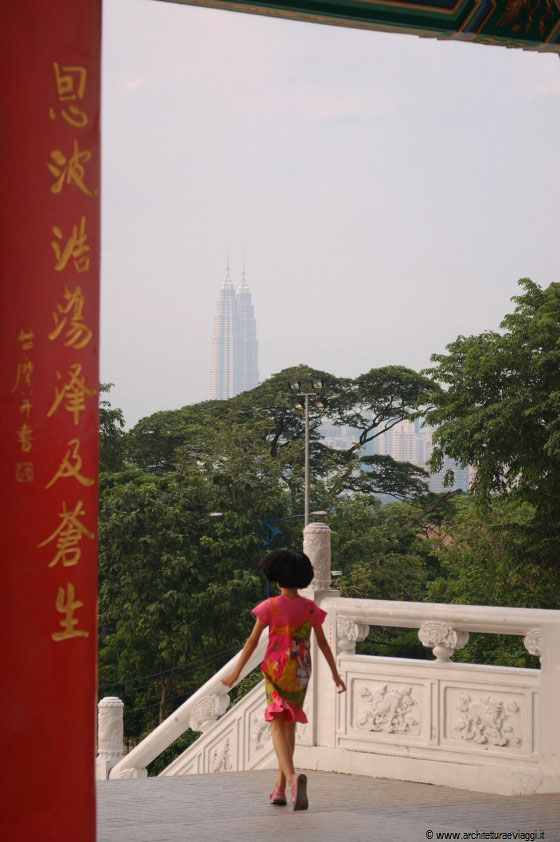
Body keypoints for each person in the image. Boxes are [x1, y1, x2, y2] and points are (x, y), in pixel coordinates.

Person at [221, 549, 346, 811]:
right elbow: (322, 644)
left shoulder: (270, 606)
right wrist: (335, 674)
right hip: (301, 671)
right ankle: (279, 789)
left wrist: (235, 673)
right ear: (303, 578)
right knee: (289, 726)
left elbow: (253, 642)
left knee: (277, 724)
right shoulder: (310, 608)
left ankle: (290, 778)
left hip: (276, 670)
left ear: (276, 578)